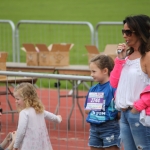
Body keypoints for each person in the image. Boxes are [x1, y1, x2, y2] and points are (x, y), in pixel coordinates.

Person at [110, 14, 150, 150]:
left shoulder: (148, 56)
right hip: (125, 114)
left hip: (140, 114)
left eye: (128, 32)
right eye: (123, 32)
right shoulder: (127, 57)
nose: (124, 36)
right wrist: (120, 59)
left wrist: (138, 106)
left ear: (140, 32)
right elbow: (113, 83)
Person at [84, 55, 120, 150]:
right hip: (94, 128)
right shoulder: (93, 89)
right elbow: (87, 110)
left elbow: (119, 109)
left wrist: (112, 112)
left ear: (105, 71)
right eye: (90, 71)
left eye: (94, 71)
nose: (91, 74)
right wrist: (94, 106)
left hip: (110, 127)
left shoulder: (113, 88)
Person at [12, 82, 62, 150]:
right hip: (41, 145)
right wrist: (58, 119)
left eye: (17, 99)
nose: (16, 101)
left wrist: (16, 145)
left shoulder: (24, 113)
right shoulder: (38, 110)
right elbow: (50, 116)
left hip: (28, 146)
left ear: (26, 98)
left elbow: (21, 131)